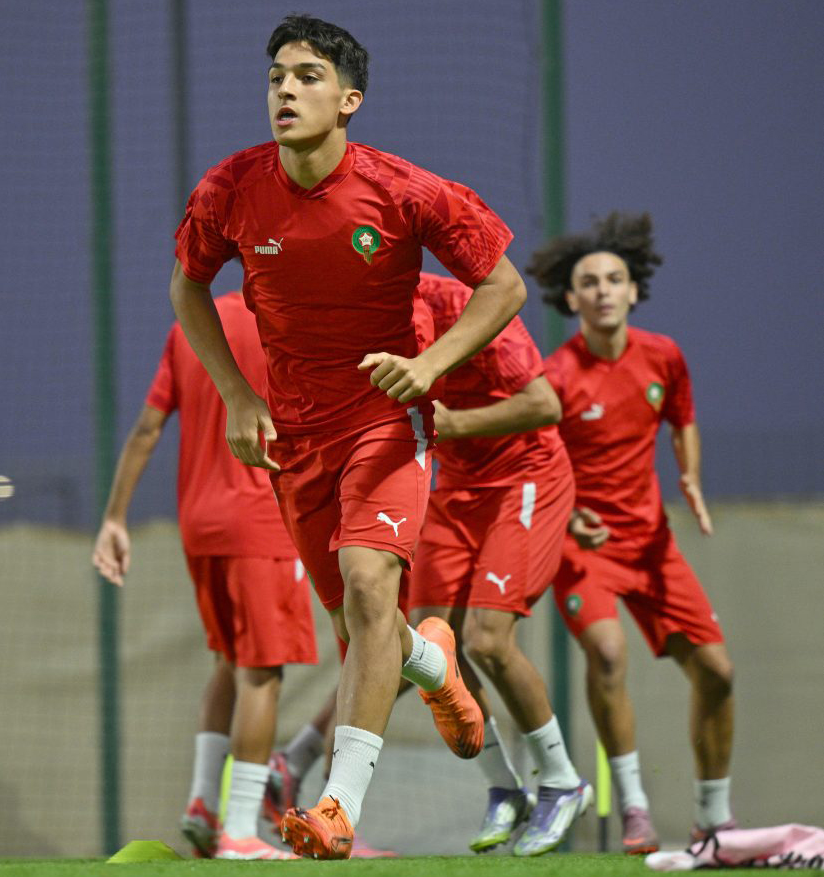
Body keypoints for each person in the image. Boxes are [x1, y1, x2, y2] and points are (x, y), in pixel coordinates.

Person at [170, 13, 528, 859]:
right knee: (359, 620)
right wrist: (237, 394)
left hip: (383, 423)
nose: (285, 91)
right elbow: (187, 288)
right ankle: (435, 668)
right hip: (296, 439)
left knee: (371, 588)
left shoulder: (403, 189)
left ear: (348, 100)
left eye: (306, 77)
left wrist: (429, 364)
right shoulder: (230, 188)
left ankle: (336, 807)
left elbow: (504, 285)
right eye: (275, 78)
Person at [528, 212, 736, 854]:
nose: (603, 291)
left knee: (717, 672)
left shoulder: (663, 356)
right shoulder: (556, 377)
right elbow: (536, 462)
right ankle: (634, 808)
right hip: (582, 547)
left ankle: (713, 818)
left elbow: (682, 418)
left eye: (614, 279)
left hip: (651, 546)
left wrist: (690, 476)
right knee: (609, 655)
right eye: (589, 282)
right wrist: (567, 516)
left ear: (634, 290)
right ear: (571, 298)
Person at [92, 292, 316, 860]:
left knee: (229, 661)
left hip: (199, 522)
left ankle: (203, 803)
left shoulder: (193, 324)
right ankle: (239, 831)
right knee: (261, 675)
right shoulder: (296, 318)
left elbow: (147, 428)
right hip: (262, 519)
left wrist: (114, 519)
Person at [407, 272, 591, 857]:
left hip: (524, 478)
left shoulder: (466, 305)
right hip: (455, 485)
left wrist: (455, 424)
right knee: (431, 647)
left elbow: (544, 404)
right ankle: (505, 788)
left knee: (488, 640)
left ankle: (562, 782)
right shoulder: (357, 313)